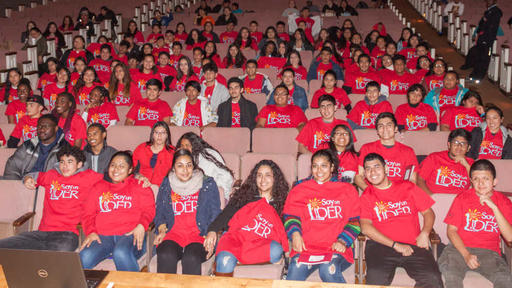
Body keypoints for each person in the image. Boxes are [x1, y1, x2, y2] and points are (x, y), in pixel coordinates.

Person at [359, 153, 443, 287]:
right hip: (381, 246)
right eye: (368, 169)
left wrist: (425, 233)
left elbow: (429, 213)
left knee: (433, 279)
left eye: (376, 167)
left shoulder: (407, 187)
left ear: (386, 169)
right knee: (375, 279)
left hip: (413, 244)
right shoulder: (366, 196)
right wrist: (396, 245)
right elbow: (366, 227)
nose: (372, 172)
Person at [0, 145, 102, 251]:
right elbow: (34, 176)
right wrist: (27, 178)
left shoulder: (89, 177)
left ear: (79, 164)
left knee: (61, 249)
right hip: (42, 233)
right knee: (4, 245)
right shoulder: (51, 175)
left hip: (68, 234)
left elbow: (111, 180)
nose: (65, 166)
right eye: (62, 162)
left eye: (70, 162)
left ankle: (34, 254)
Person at [283, 150, 360, 283]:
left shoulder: (347, 189)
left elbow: (354, 222)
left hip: (337, 248)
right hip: (307, 248)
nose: (319, 170)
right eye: (315, 166)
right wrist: (295, 234)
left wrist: (343, 241)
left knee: (327, 269)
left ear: (332, 167)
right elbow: (291, 216)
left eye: (323, 166)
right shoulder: (300, 189)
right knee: (294, 271)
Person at [205, 160, 290, 276]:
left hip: (261, 244)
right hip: (237, 240)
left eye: (267, 175)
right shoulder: (244, 196)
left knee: (276, 250)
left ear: (275, 178)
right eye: (259, 175)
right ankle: (238, 260)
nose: (263, 179)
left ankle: (240, 261)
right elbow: (225, 215)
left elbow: (286, 229)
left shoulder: (282, 203)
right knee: (225, 262)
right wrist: (212, 230)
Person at [438, 159, 512, 288]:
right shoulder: (462, 198)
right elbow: (451, 231)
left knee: (504, 280)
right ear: (471, 181)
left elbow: (510, 238)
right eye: (476, 179)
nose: (481, 183)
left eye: (485, 178)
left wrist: (494, 207)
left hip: (489, 252)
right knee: (452, 277)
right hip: (459, 249)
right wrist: (466, 255)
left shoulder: (504, 202)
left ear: (494, 181)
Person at [80, 151, 156, 271]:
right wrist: (91, 231)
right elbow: (87, 213)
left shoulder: (140, 186)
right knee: (84, 256)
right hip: (103, 236)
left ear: (130, 169)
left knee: (120, 252)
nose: (116, 169)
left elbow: (149, 210)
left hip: (130, 235)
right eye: (113, 165)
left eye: (121, 166)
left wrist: (142, 225)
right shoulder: (98, 187)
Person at [153, 149, 221, 275]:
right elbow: (160, 211)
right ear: (173, 168)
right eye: (180, 165)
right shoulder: (167, 183)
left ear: (194, 167)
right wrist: (162, 229)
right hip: (173, 234)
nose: (185, 170)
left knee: (191, 258)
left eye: (189, 165)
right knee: (166, 255)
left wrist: (211, 233)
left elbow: (215, 213)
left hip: (200, 236)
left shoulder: (207, 183)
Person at [355, 112, 418, 191]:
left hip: (399, 194)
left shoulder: (408, 151)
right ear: (377, 131)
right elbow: (358, 176)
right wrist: (370, 191)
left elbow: (412, 180)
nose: (385, 129)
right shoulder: (367, 148)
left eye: (389, 125)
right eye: (381, 126)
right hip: (373, 192)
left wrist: (402, 194)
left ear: (395, 129)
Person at [3, 114, 70, 180]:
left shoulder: (65, 148)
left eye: (46, 126)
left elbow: (65, 174)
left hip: (50, 187)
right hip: (24, 185)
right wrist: (17, 185)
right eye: (39, 126)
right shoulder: (28, 145)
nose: (42, 129)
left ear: (56, 129)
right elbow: (12, 167)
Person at [177, 132, 234, 205]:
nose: (184, 148)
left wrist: (214, 189)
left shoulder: (209, 154)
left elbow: (227, 177)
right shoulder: (182, 160)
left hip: (214, 195)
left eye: (187, 145)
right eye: (182, 146)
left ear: (195, 145)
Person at [417, 128, 474, 195]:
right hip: (433, 199)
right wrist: (432, 199)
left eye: (463, 144)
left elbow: (476, 187)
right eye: (455, 142)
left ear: (468, 148)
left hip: (460, 202)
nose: (459, 146)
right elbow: (419, 180)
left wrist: (467, 165)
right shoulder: (434, 158)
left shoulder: (472, 164)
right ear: (449, 145)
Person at [460, 0, 502, 82]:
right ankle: (470, 67)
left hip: (487, 39)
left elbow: (490, 27)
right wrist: (478, 35)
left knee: (483, 59)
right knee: (474, 52)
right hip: (482, 38)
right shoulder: (489, 11)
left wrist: (485, 39)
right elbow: (481, 24)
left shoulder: (496, 12)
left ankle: (477, 77)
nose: (488, 1)